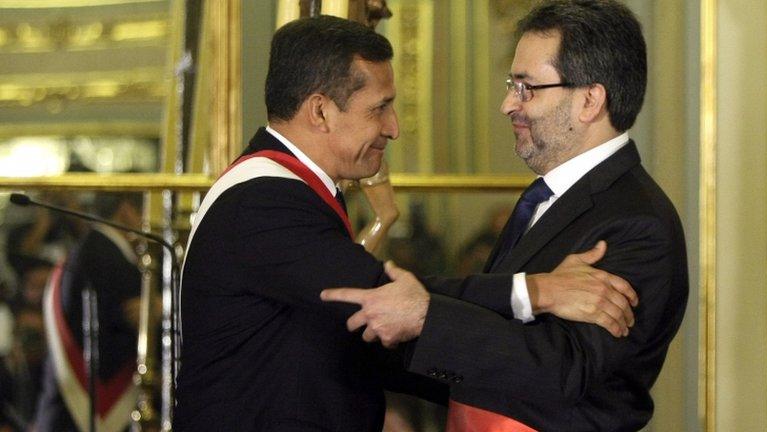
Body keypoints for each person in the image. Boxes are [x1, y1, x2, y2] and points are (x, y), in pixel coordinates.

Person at [175, 15, 638, 432]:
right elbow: (384, 299)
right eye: (379, 107)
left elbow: (367, 326)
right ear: (319, 111)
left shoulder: (282, 191)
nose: (394, 128)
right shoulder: (266, 199)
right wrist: (538, 291)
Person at [322, 1, 689, 431]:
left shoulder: (637, 223)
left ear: (590, 99)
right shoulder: (545, 198)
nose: (507, 105)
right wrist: (370, 330)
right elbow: (491, 338)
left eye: (526, 88)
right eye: (510, 85)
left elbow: (560, 371)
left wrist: (424, 317)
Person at [32, 192, 144, 432]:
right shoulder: (108, 258)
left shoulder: (87, 249)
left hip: (63, 412)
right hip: (85, 414)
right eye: (144, 211)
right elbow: (132, 327)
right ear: (126, 210)